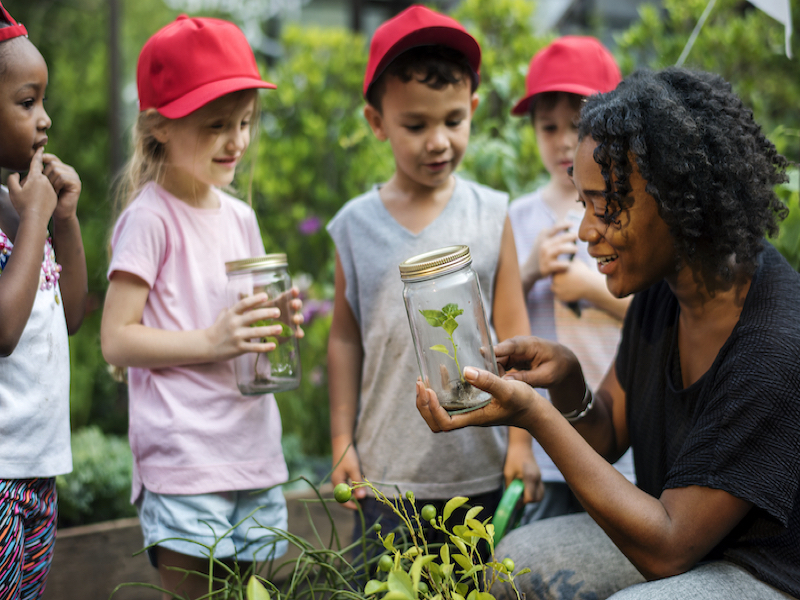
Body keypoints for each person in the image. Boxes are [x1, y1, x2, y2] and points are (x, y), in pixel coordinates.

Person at [417, 67, 800, 600]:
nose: (585, 231)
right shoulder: (665, 291)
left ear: (680, 198)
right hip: (688, 542)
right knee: (515, 564)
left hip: (763, 571)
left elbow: (667, 548)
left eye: (608, 205)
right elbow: (607, 434)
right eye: (584, 203)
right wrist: (568, 382)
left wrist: (535, 415)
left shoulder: (773, 343)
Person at [100, 15, 302, 600]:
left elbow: (244, 325)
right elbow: (117, 339)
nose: (237, 141)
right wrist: (213, 341)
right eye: (217, 125)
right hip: (185, 461)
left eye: (243, 123)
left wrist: (274, 324)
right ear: (159, 126)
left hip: (250, 450)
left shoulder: (241, 217)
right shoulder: (150, 218)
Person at [326, 4, 537, 547]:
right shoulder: (354, 226)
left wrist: (521, 444)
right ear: (377, 123)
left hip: (483, 467)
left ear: (471, 108)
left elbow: (512, 331)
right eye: (415, 125)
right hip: (386, 477)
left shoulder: (491, 213)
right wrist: (342, 443)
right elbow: (346, 340)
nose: (438, 140)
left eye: (453, 120)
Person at [508, 36, 635, 522]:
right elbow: (499, 313)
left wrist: (588, 290)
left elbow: (655, 314)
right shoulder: (518, 217)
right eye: (548, 127)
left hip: (620, 434)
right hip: (547, 445)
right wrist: (531, 269)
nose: (563, 140)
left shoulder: (628, 216)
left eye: (578, 127)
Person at [0, 3, 88, 598]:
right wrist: (36, 219)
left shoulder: (22, 208)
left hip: (38, 469)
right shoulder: (18, 216)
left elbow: (74, 314)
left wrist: (65, 220)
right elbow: (4, 330)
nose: (46, 119)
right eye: (27, 102)